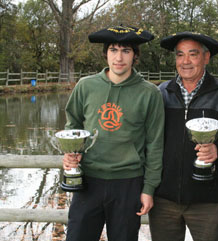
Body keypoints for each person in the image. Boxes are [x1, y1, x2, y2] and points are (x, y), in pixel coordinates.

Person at [62, 25, 164, 241]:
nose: (119, 57)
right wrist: (71, 153)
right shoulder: (85, 86)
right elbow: (73, 125)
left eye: (126, 51)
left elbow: (155, 144)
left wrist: (149, 188)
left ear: (135, 55)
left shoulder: (149, 93)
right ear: (105, 54)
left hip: (128, 183)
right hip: (88, 181)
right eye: (113, 50)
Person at [148, 32, 218, 241]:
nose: (186, 61)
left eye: (193, 54)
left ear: (206, 57)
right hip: (164, 199)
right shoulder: (161, 93)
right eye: (180, 55)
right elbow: (149, 140)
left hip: (208, 201)